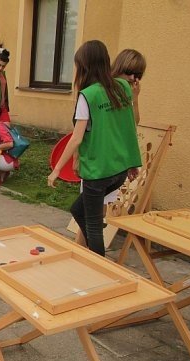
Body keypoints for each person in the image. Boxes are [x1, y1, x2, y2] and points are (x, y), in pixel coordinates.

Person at [47, 40, 141, 257]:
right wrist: (132, 162)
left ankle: (100, 264)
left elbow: (76, 139)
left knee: (93, 225)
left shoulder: (88, 95)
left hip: (98, 172)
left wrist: (57, 169)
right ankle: (93, 251)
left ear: (85, 66)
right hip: (118, 172)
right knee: (78, 210)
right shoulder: (123, 87)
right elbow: (128, 126)